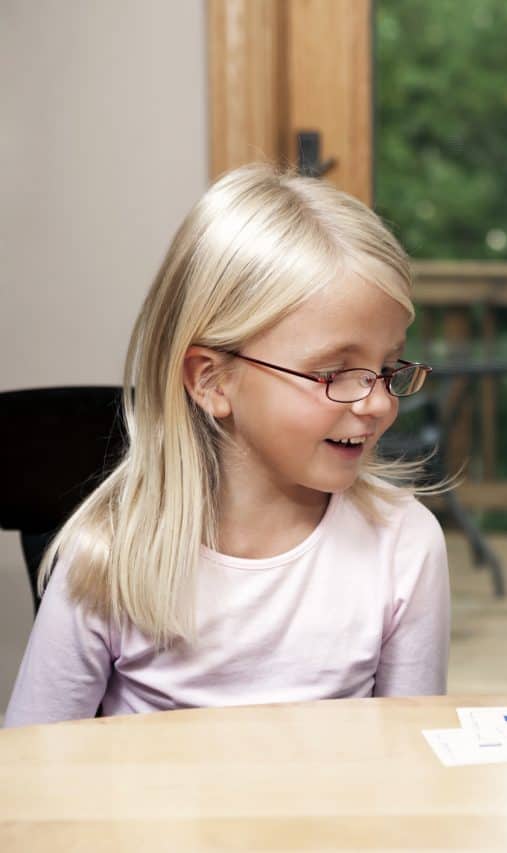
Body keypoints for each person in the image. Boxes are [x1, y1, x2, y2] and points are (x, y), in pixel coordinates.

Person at [5, 164, 450, 727]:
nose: (380, 402)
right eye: (336, 370)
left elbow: (411, 760)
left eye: (387, 367)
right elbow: (30, 768)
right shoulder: (109, 556)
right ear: (213, 380)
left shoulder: (405, 546)